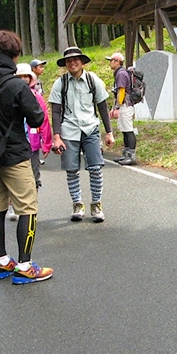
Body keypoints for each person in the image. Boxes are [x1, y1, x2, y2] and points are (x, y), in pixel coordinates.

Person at [0, 31, 53, 284]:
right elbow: (37, 118)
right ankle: (25, 266)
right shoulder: (17, 85)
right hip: (15, 154)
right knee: (27, 207)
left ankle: (2, 261)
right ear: (15, 55)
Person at [48, 47, 115, 222]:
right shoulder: (60, 83)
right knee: (72, 170)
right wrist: (57, 136)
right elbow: (56, 111)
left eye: (75, 59)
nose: (72, 63)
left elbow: (102, 106)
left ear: (82, 62)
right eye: (69, 61)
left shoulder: (93, 80)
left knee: (96, 168)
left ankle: (96, 204)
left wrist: (109, 132)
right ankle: (77, 204)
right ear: (65, 64)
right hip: (68, 131)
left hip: (90, 128)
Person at [16, 62, 52, 189]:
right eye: (19, 76)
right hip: (15, 145)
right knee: (17, 180)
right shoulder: (9, 95)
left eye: (26, 76)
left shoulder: (36, 96)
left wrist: (46, 143)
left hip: (32, 143)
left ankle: (33, 200)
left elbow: (44, 119)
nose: (23, 79)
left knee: (34, 177)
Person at [107, 51, 138, 165]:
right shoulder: (121, 73)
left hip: (125, 105)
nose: (110, 63)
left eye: (111, 60)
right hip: (124, 105)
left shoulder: (121, 74)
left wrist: (117, 107)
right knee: (125, 130)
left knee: (128, 130)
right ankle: (126, 154)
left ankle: (131, 156)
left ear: (117, 62)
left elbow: (121, 91)